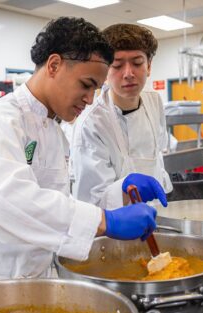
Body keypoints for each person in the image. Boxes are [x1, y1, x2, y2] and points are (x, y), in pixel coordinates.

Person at [0, 17, 166, 294]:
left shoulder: (55, 131)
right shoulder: (0, 120)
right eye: (86, 84)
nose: (90, 99)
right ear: (54, 65)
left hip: (29, 287)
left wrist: (120, 193)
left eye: (96, 89)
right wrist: (106, 221)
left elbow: (54, 205)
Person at [71, 23, 174, 209]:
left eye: (137, 63)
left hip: (157, 212)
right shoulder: (91, 123)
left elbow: (158, 154)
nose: (128, 74)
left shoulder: (154, 102)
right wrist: (123, 190)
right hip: (115, 224)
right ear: (104, 71)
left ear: (149, 66)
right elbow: (90, 200)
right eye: (117, 65)